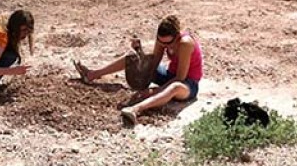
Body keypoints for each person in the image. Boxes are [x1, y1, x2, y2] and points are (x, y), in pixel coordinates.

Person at [73, 15, 202, 125]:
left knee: (174, 87)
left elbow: (180, 77)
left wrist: (156, 91)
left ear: (177, 36)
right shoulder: (162, 41)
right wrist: (139, 54)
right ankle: (92, 74)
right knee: (132, 58)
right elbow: (153, 64)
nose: (165, 46)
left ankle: (135, 109)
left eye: (168, 44)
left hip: (187, 84)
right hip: (169, 75)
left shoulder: (185, 43)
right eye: (162, 43)